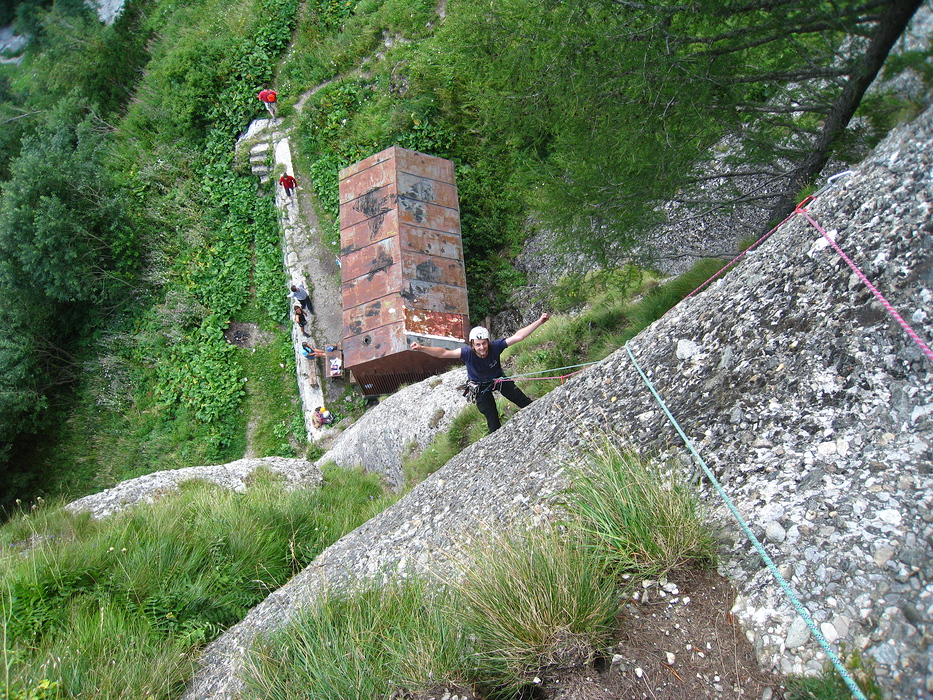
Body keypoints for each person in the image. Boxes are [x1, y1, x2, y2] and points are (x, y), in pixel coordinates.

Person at [410, 313, 550, 432]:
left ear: (488, 342)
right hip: (479, 386)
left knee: (523, 401)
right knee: (492, 420)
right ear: (472, 345)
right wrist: (422, 348)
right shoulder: (466, 353)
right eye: (478, 344)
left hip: (498, 379)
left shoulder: (496, 347)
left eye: (484, 343)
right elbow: (443, 353)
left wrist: (539, 321)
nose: (482, 347)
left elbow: (518, 336)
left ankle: (542, 419)